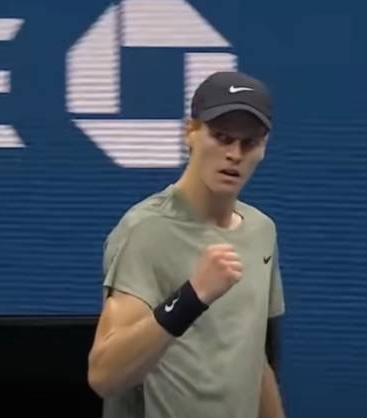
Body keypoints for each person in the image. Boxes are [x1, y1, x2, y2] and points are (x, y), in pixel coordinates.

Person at [87, 70, 287, 418]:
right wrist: (192, 297)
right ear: (190, 132)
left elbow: (252, 358)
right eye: (221, 137)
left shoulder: (261, 232)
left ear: (264, 147)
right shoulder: (144, 231)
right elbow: (105, 375)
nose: (234, 154)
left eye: (249, 143)